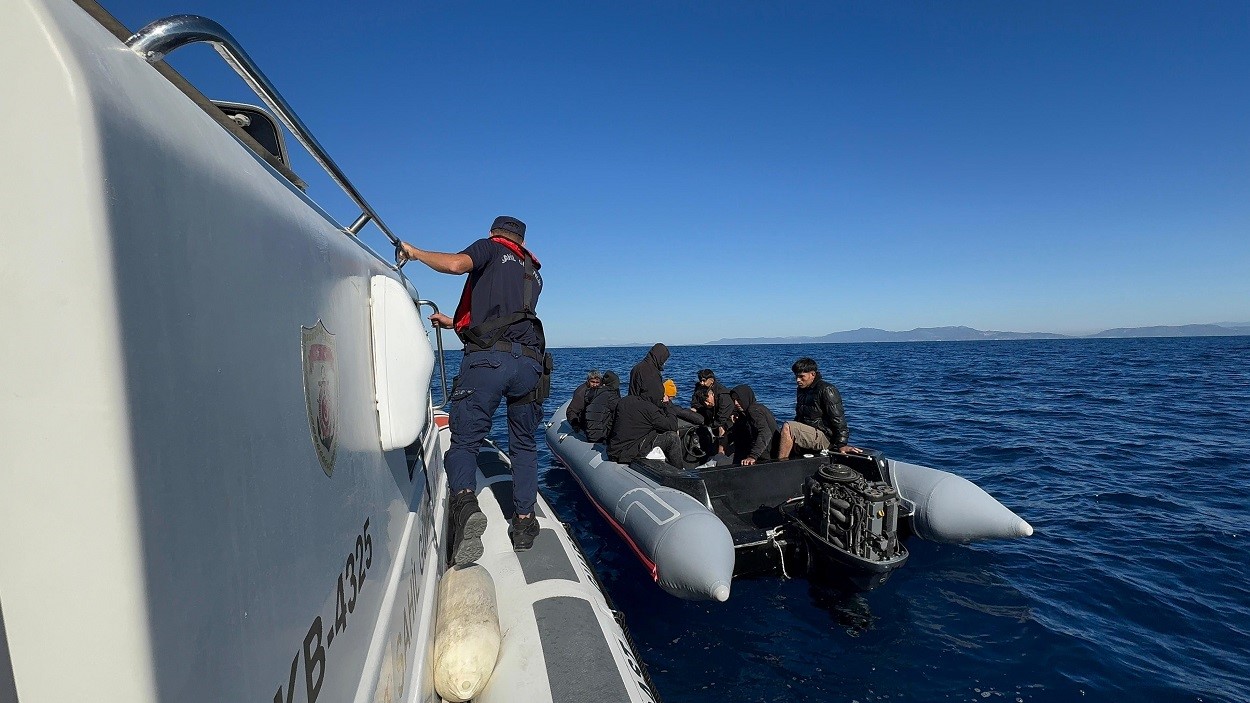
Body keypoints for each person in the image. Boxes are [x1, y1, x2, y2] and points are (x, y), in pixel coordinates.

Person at [397, 215, 549, 562]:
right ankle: (524, 525)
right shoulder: (533, 273)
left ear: (494, 234)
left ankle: (466, 506)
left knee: (465, 441)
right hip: (529, 365)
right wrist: (454, 323)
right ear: (521, 241)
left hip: (488, 364)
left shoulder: (489, 249)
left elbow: (454, 265)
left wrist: (414, 252)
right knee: (524, 445)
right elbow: (506, 318)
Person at [607, 345, 684, 466]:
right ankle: (680, 471)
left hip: (633, 417)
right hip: (640, 433)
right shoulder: (652, 375)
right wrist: (666, 405)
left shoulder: (636, 370)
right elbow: (671, 425)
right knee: (672, 437)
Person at [777, 357, 862, 460]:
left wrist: (841, 444)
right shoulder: (801, 390)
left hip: (825, 437)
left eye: (801, 376)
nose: (797, 380)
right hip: (811, 433)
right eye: (796, 376)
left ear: (812, 374)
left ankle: (781, 464)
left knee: (788, 427)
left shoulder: (827, 390)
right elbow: (800, 416)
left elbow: (839, 420)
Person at [728, 384, 778, 465]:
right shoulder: (746, 413)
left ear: (745, 398)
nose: (736, 403)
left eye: (738, 399)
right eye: (734, 400)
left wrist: (753, 456)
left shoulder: (754, 410)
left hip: (767, 456)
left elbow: (765, 433)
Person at [583, 371, 621, 444]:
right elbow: (621, 409)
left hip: (590, 433)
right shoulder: (610, 396)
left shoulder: (594, 393)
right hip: (600, 436)